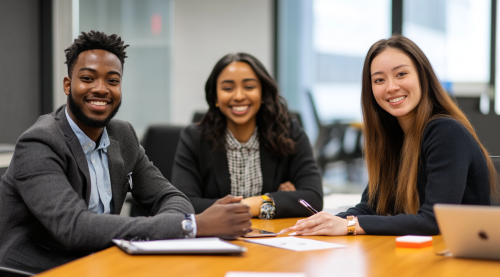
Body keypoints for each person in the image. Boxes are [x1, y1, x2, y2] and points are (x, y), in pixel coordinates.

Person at [0, 31, 251, 271]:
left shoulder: (123, 135)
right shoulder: (39, 143)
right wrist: (190, 225)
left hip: (104, 260)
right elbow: (74, 228)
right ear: (67, 85)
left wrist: (174, 228)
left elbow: (170, 198)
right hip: (39, 266)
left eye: (112, 80)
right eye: (87, 78)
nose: (101, 89)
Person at [278, 35, 499, 236]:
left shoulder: (445, 131)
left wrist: (350, 225)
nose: (391, 87)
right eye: (379, 80)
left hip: (468, 259)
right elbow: (371, 207)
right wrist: (325, 222)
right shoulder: (393, 137)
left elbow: (435, 220)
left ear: (423, 76)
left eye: (401, 74)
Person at [172, 53, 323, 219]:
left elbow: (313, 198)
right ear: (215, 97)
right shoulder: (194, 139)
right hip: (218, 239)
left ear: (263, 94)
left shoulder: (289, 132)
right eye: (228, 88)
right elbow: (184, 205)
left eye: (249, 87)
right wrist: (271, 202)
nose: (238, 96)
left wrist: (257, 203)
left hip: (272, 238)